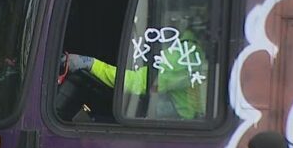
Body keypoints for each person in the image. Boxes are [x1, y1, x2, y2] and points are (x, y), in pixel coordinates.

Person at [60, 38, 207, 120]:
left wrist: (90, 64)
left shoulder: (186, 54)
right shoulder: (192, 49)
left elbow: (139, 83)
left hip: (177, 120)